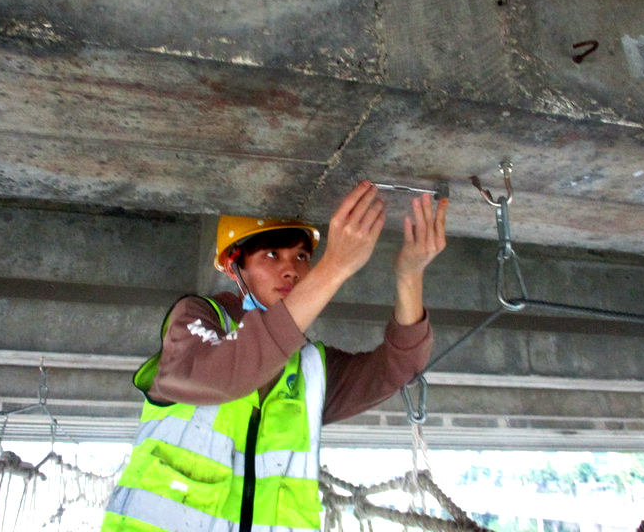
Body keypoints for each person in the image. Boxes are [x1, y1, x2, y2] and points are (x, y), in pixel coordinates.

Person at [102, 180, 448, 532]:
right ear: (234, 266)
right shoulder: (196, 318)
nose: (291, 269)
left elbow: (398, 367)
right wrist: (335, 267)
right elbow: (222, 376)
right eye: (272, 255)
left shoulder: (310, 370)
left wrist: (410, 275)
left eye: (302, 256)